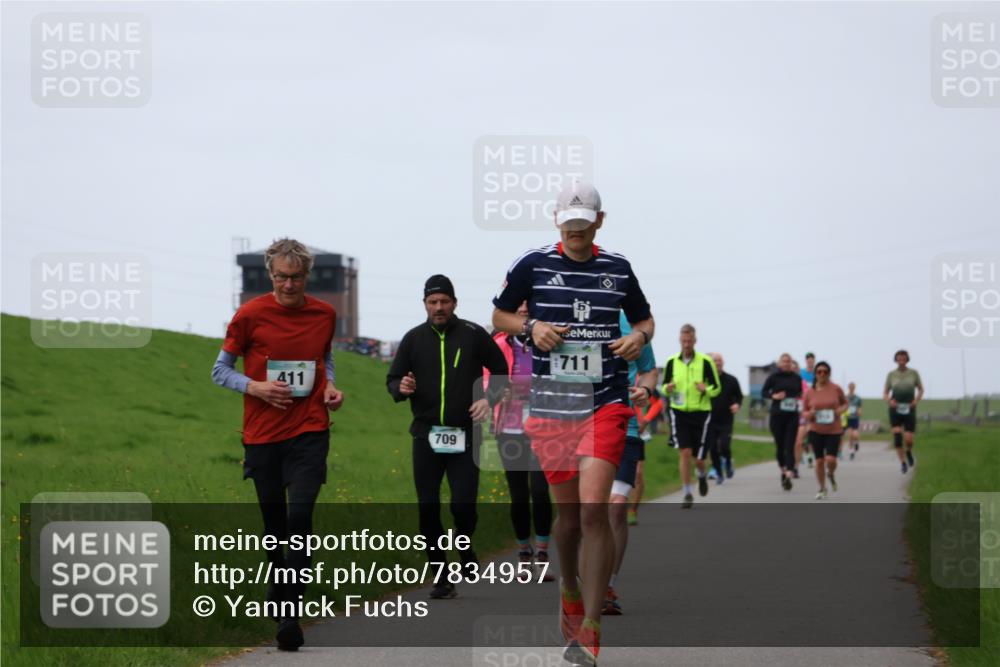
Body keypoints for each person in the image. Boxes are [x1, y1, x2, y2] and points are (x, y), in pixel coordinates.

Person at [492, 180, 654, 667]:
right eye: (570, 226)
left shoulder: (618, 268)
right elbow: (499, 315)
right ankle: (568, 587)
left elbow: (646, 321)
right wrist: (530, 327)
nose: (576, 233)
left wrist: (637, 339)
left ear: (599, 222)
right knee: (566, 521)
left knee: (594, 512)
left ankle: (591, 625)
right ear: (557, 221)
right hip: (553, 406)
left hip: (605, 402)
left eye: (584, 225)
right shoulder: (533, 263)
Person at [211, 238, 344, 651]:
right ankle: (280, 594)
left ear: (308, 276)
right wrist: (256, 387)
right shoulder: (250, 315)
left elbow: (325, 359)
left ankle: (289, 614)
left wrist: (331, 387)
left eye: (296, 277)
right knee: (275, 530)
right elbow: (219, 371)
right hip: (264, 436)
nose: (289, 285)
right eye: (282, 277)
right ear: (271, 275)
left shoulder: (325, 314)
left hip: (309, 431)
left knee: (300, 519)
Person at [386, 275, 509, 599]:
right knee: (428, 508)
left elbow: (500, 372)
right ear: (425, 304)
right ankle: (441, 574)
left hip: (466, 434)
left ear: (454, 303)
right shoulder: (413, 339)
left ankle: (465, 548)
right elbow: (393, 378)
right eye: (432, 302)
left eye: (444, 301)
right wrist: (400, 388)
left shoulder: (472, 335)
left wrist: (488, 399)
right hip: (426, 435)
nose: (438, 307)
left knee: (463, 506)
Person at [487, 300, 554, 580]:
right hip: (509, 427)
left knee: (540, 490)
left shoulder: (547, 341)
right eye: (519, 306)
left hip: (542, 426)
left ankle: (542, 552)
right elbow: (486, 386)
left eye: (529, 305)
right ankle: (524, 553)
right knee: (518, 494)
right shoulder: (498, 343)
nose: (524, 310)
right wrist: (497, 394)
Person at [604, 312, 657, 615]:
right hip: (584, 429)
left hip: (627, 429)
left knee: (615, 507)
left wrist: (645, 390)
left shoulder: (634, 327)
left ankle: (608, 584)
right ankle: (580, 581)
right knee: (586, 512)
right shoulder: (576, 316)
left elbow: (649, 370)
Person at [661, 324, 721, 508]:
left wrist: (707, 389)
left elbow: (717, 388)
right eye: (683, 340)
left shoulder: (705, 362)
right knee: (685, 452)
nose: (686, 344)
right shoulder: (671, 362)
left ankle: (701, 475)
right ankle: (687, 492)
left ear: (695, 340)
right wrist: (667, 388)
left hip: (701, 413)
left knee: (700, 459)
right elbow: (663, 386)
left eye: (689, 340)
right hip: (679, 412)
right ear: (680, 340)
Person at [803, 361, 848, 499]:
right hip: (816, 430)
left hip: (833, 430)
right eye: (819, 372)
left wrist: (840, 410)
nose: (822, 374)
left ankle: (831, 473)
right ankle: (822, 488)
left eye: (825, 372)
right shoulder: (809, 392)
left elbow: (845, 403)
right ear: (815, 374)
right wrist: (809, 414)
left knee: (831, 460)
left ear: (829, 374)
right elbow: (804, 411)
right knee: (819, 461)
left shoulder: (836, 389)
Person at [762, 353, 803, 491]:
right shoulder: (774, 377)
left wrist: (799, 401)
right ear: (779, 363)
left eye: (789, 361)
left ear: (792, 364)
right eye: (784, 361)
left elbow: (800, 393)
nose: (786, 364)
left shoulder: (796, 378)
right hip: (777, 416)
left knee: (790, 445)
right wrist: (774, 395)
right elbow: (763, 392)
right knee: (780, 447)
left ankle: (789, 473)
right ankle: (784, 469)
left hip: (792, 416)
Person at [883, 350, 924, 473]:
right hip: (895, 408)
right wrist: (890, 401)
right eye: (899, 359)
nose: (901, 361)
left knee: (909, 439)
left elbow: (921, 389)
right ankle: (903, 462)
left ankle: (908, 451)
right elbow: (885, 392)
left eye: (903, 358)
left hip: (909, 408)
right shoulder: (891, 374)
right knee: (897, 437)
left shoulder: (913, 373)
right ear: (895, 360)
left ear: (907, 360)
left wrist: (916, 401)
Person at [708, 353, 744, 483]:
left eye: (719, 360)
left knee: (724, 446)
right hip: (710, 420)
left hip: (726, 420)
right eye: (715, 361)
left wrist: (737, 405)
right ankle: (718, 472)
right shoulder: (707, 380)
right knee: (712, 448)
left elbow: (739, 396)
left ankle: (728, 463)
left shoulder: (731, 380)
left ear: (723, 362)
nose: (717, 363)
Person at [628, 394, 662, 525]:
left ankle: (632, 510)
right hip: (610, 430)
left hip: (635, 432)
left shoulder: (640, 379)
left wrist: (646, 420)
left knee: (638, 473)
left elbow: (657, 404)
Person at [845, 382, 863, 459]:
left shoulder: (858, 398)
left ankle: (856, 443)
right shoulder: (845, 397)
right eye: (850, 387)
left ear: (854, 388)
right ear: (848, 388)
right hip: (847, 417)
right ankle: (851, 451)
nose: (851, 388)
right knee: (850, 435)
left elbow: (860, 407)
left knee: (855, 434)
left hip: (855, 417)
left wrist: (859, 412)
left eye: (852, 387)